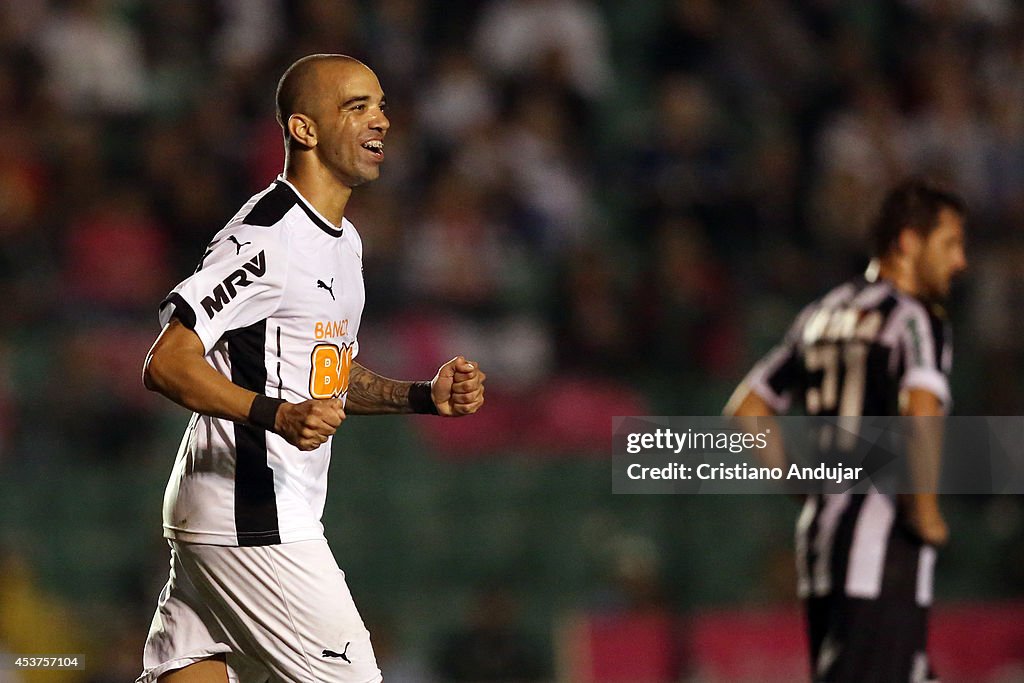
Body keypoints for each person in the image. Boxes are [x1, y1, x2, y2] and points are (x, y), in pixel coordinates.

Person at [137, 54, 486, 683]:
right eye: (357, 107)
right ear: (305, 130)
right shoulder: (266, 235)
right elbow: (167, 362)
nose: (380, 120)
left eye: (381, 105)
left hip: (227, 511)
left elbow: (326, 375)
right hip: (251, 515)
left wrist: (425, 397)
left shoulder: (343, 240)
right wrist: (276, 415)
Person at [725, 179, 967, 682]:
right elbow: (920, 407)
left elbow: (748, 408)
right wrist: (924, 511)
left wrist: (800, 484)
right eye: (949, 244)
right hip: (881, 551)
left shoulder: (822, 314)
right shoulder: (915, 318)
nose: (959, 261)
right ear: (908, 242)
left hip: (822, 545)